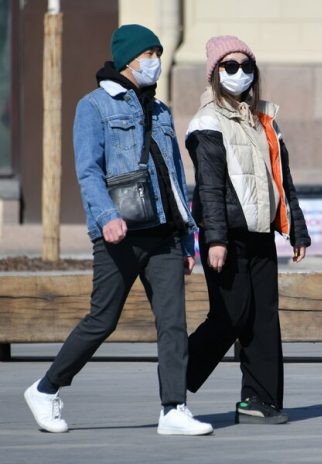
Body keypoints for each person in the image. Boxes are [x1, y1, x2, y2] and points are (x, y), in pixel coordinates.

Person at [23, 25, 213, 436]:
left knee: (173, 322)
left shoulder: (160, 111)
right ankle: (45, 388)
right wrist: (107, 216)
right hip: (119, 232)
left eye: (158, 53)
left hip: (163, 233)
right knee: (102, 319)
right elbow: (88, 170)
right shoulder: (93, 106)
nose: (155, 61)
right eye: (149, 54)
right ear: (128, 59)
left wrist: (187, 237)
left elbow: (174, 178)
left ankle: (173, 408)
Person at [184, 35, 311, 425]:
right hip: (227, 236)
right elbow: (209, 186)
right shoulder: (207, 122)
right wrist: (215, 239)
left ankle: (259, 400)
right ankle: (176, 375)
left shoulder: (265, 120)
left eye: (246, 66)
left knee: (263, 318)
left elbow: (282, 179)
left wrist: (297, 229)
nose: (239, 73)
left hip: (261, 233)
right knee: (231, 315)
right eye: (230, 66)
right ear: (215, 73)